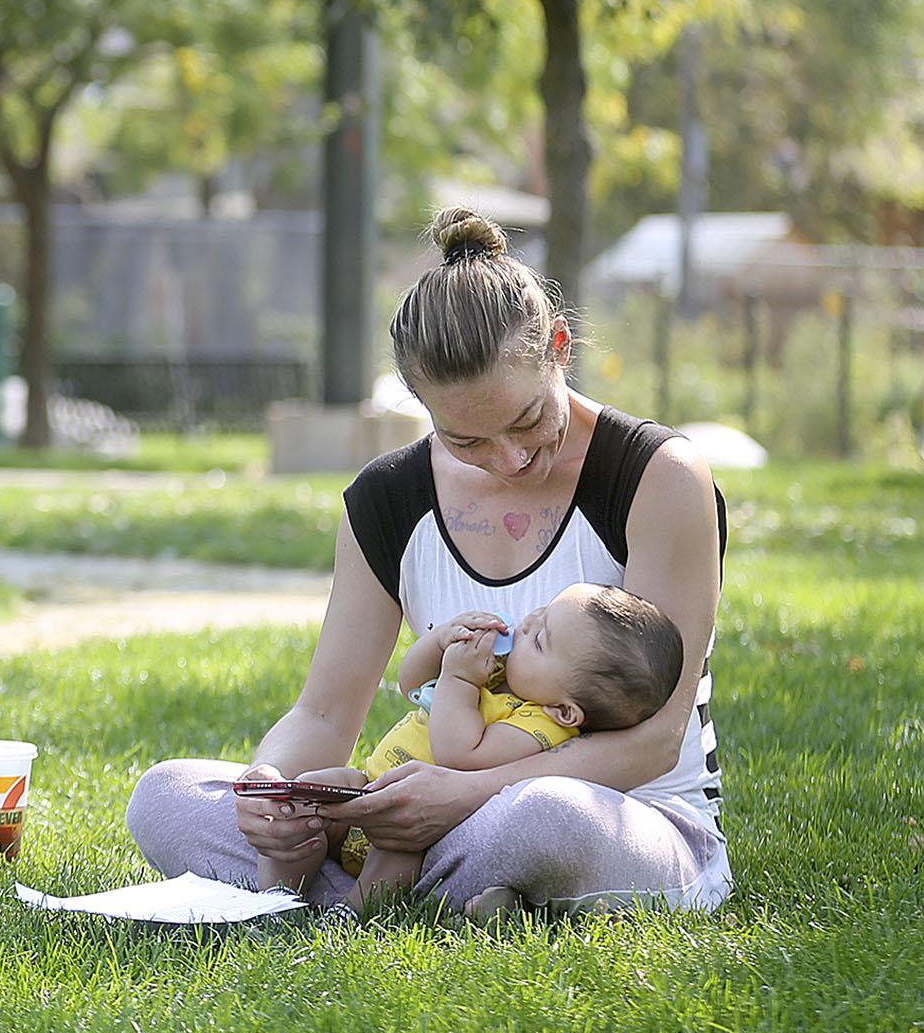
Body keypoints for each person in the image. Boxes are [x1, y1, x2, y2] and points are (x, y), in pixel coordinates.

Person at [125, 208, 730, 921]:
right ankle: (444, 896)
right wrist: (272, 789)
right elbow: (322, 712)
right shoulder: (388, 498)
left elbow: (655, 740)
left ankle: (353, 897)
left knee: (541, 818)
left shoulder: (659, 476)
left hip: (622, 817)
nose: (510, 460)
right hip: (415, 819)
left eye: (527, 420)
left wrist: (468, 794)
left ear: (559, 348)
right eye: (467, 437)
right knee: (164, 796)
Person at [322, 583, 685, 908]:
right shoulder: (499, 673)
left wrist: (459, 677)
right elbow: (410, 683)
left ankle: (350, 913)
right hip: (370, 783)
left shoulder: (540, 726)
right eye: (542, 613)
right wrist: (441, 641)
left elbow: (461, 755)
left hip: (408, 832)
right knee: (315, 794)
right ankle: (278, 892)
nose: (527, 624)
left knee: (395, 853)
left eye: (541, 641)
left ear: (565, 711)